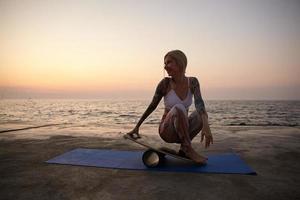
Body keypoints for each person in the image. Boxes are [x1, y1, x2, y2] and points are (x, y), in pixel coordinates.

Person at [126, 50, 213, 164]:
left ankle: (183, 148)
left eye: (169, 62)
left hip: (183, 129)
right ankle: (188, 148)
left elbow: (199, 103)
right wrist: (137, 127)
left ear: (180, 63)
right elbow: (152, 106)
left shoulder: (192, 82)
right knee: (178, 107)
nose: (165, 67)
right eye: (164, 63)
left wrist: (206, 126)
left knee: (200, 114)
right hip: (167, 130)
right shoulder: (165, 84)